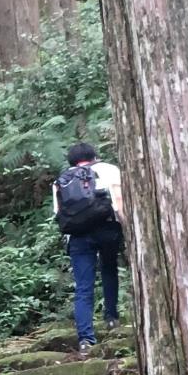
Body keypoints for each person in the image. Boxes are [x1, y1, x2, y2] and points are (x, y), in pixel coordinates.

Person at [53, 140, 124, 353]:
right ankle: (111, 318)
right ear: (94, 156)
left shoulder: (62, 180)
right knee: (109, 269)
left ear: (71, 160)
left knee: (83, 286)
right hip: (107, 228)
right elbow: (119, 201)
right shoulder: (109, 170)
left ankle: (85, 339)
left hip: (77, 235)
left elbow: (59, 213)